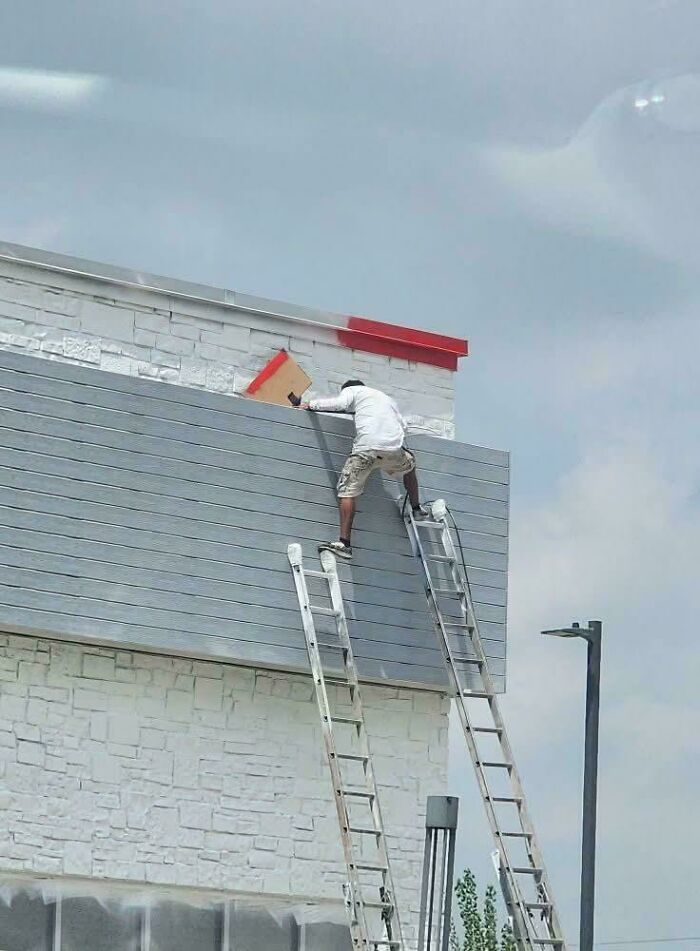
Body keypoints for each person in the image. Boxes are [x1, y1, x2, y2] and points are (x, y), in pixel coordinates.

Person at [300, 380, 429, 560]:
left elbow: (340, 404)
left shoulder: (352, 390)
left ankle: (344, 543)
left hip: (366, 448)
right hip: (392, 448)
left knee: (347, 491)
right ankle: (416, 508)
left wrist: (310, 405)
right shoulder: (385, 398)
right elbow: (404, 426)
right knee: (410, 465)